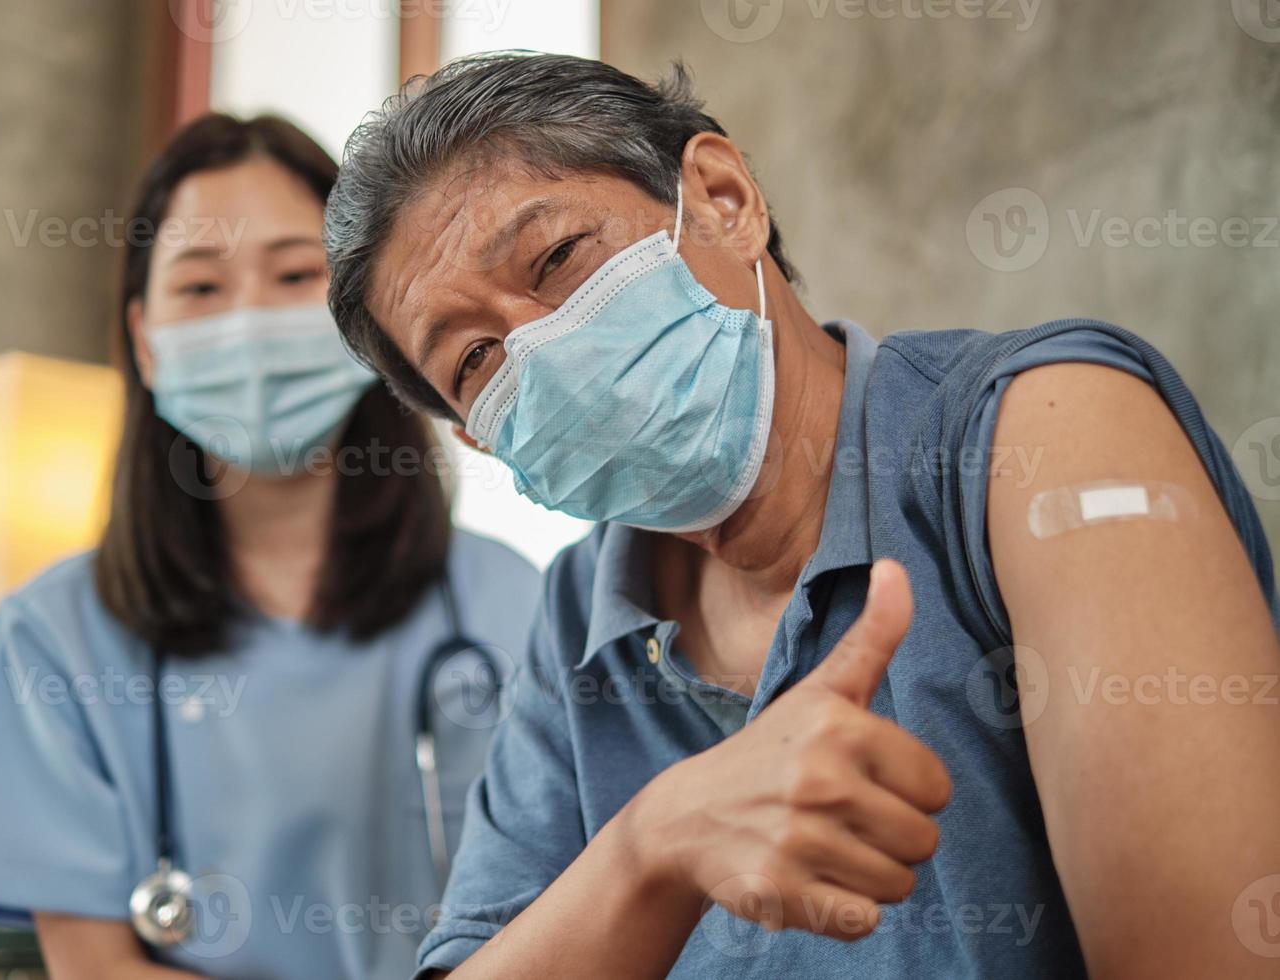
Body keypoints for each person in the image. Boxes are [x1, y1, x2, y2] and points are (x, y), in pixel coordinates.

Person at [321, 53, 1280, 979]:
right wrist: (654, 846)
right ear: (484, 442)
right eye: (476, 361)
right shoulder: (582, 611)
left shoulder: (1038, 436)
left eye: (560, 258)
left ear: (723, 201)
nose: (540, 350)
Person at [0, 113, 541, 979]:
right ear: (146, 340)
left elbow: (566, 913)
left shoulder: (508, 603)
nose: (251, 322)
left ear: (362, 312)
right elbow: (99, 969)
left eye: (296, 274)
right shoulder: (52, 636)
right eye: (202, 289)